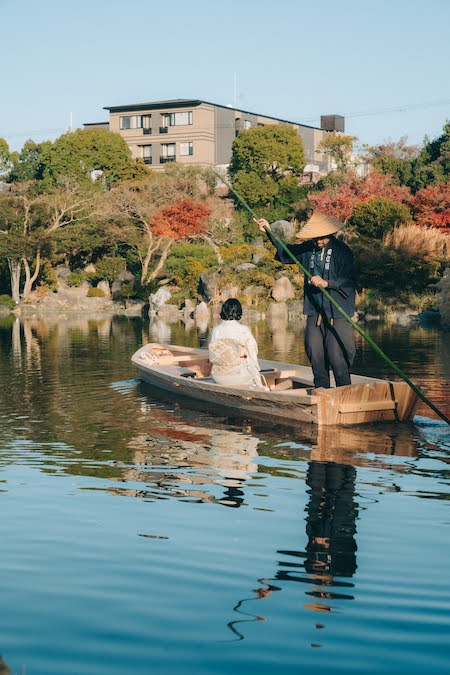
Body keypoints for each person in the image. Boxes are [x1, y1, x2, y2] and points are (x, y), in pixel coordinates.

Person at [256, 211, 356, 389]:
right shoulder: (308, 248)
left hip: (337, 311)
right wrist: (270, 233)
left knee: (336, 355)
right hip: (314, 311)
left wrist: (327, 283)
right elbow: (286, 252)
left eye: (322, 238)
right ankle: (321, 391)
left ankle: (344, 392)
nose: (318, 241)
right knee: (315, 353)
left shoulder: (343, 251)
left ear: (330, 234)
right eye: (314, 238)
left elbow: (348, 279)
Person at [209, 298, 266, 389]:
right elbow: (253, 352)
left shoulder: (216, 330)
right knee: (251, 369)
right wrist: (257, 369)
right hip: (239, 376)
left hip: (218, 376)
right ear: (239, 312)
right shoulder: (243, 330)